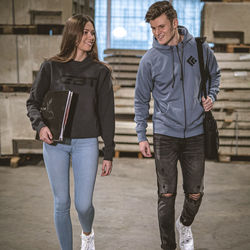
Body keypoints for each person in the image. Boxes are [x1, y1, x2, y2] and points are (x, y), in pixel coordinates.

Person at [134, 1, 220, 250]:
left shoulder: (201, 50)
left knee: (195, 193)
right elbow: (141, 100)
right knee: (166, 194)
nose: (157, 32)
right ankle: (168, 246)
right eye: (152, 28)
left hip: (195, 133)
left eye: (161, 26)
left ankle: (184, 224)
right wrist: (142, 135)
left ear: (174, 23)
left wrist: (211, 96)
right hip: (165, 134)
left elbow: (215, 75)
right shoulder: (149, 60)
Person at [26, 14, 115, 250]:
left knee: (83, 205)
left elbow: (107, 114)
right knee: (61, 203)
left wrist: (109, 152)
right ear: (73, 34)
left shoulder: (100, 71)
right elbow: (32, 102)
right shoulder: (51, 67)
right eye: (85, 32)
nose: (91, 37)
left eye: (93, 33)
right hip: (55, 143)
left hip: (86, 143)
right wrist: (40, 126)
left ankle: (87, 234)